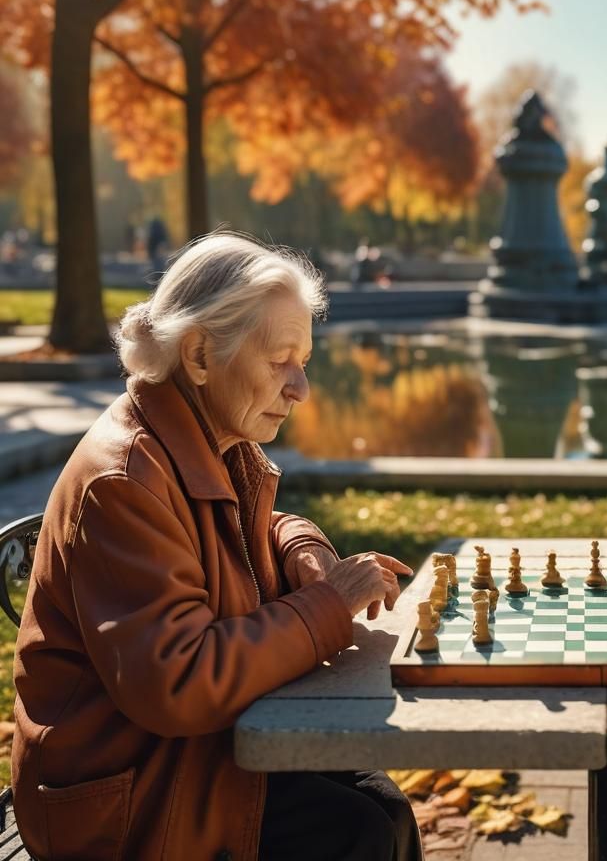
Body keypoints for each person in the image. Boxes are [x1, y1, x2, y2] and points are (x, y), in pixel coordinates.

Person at [13, 232, 423, 860]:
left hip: (187, 755)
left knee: (384, 808)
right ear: (200, 355)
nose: (301, 388)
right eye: (279, 360)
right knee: (357, 834)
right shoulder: (122, 483)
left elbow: (237, 531)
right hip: (127, 801)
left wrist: (301, 550)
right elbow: (181, 680)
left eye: (304, 362)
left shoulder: (205, 433)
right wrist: (327, 608)